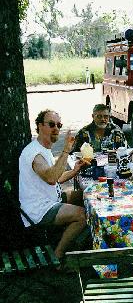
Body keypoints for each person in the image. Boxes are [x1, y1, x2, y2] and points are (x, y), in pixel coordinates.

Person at [19, 109, 88, 262]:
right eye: (51, 124)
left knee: (86, 196)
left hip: (50, 199)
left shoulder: (44, 148)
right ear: (39, 126)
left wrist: (75, 170)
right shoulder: (34, 153)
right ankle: (58, 256)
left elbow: (55, 177)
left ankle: (79, 247)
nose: (56, 128)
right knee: (82, 215)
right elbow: (51, 178)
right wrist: (65, 150)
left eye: (58, 124)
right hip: (39, 209)